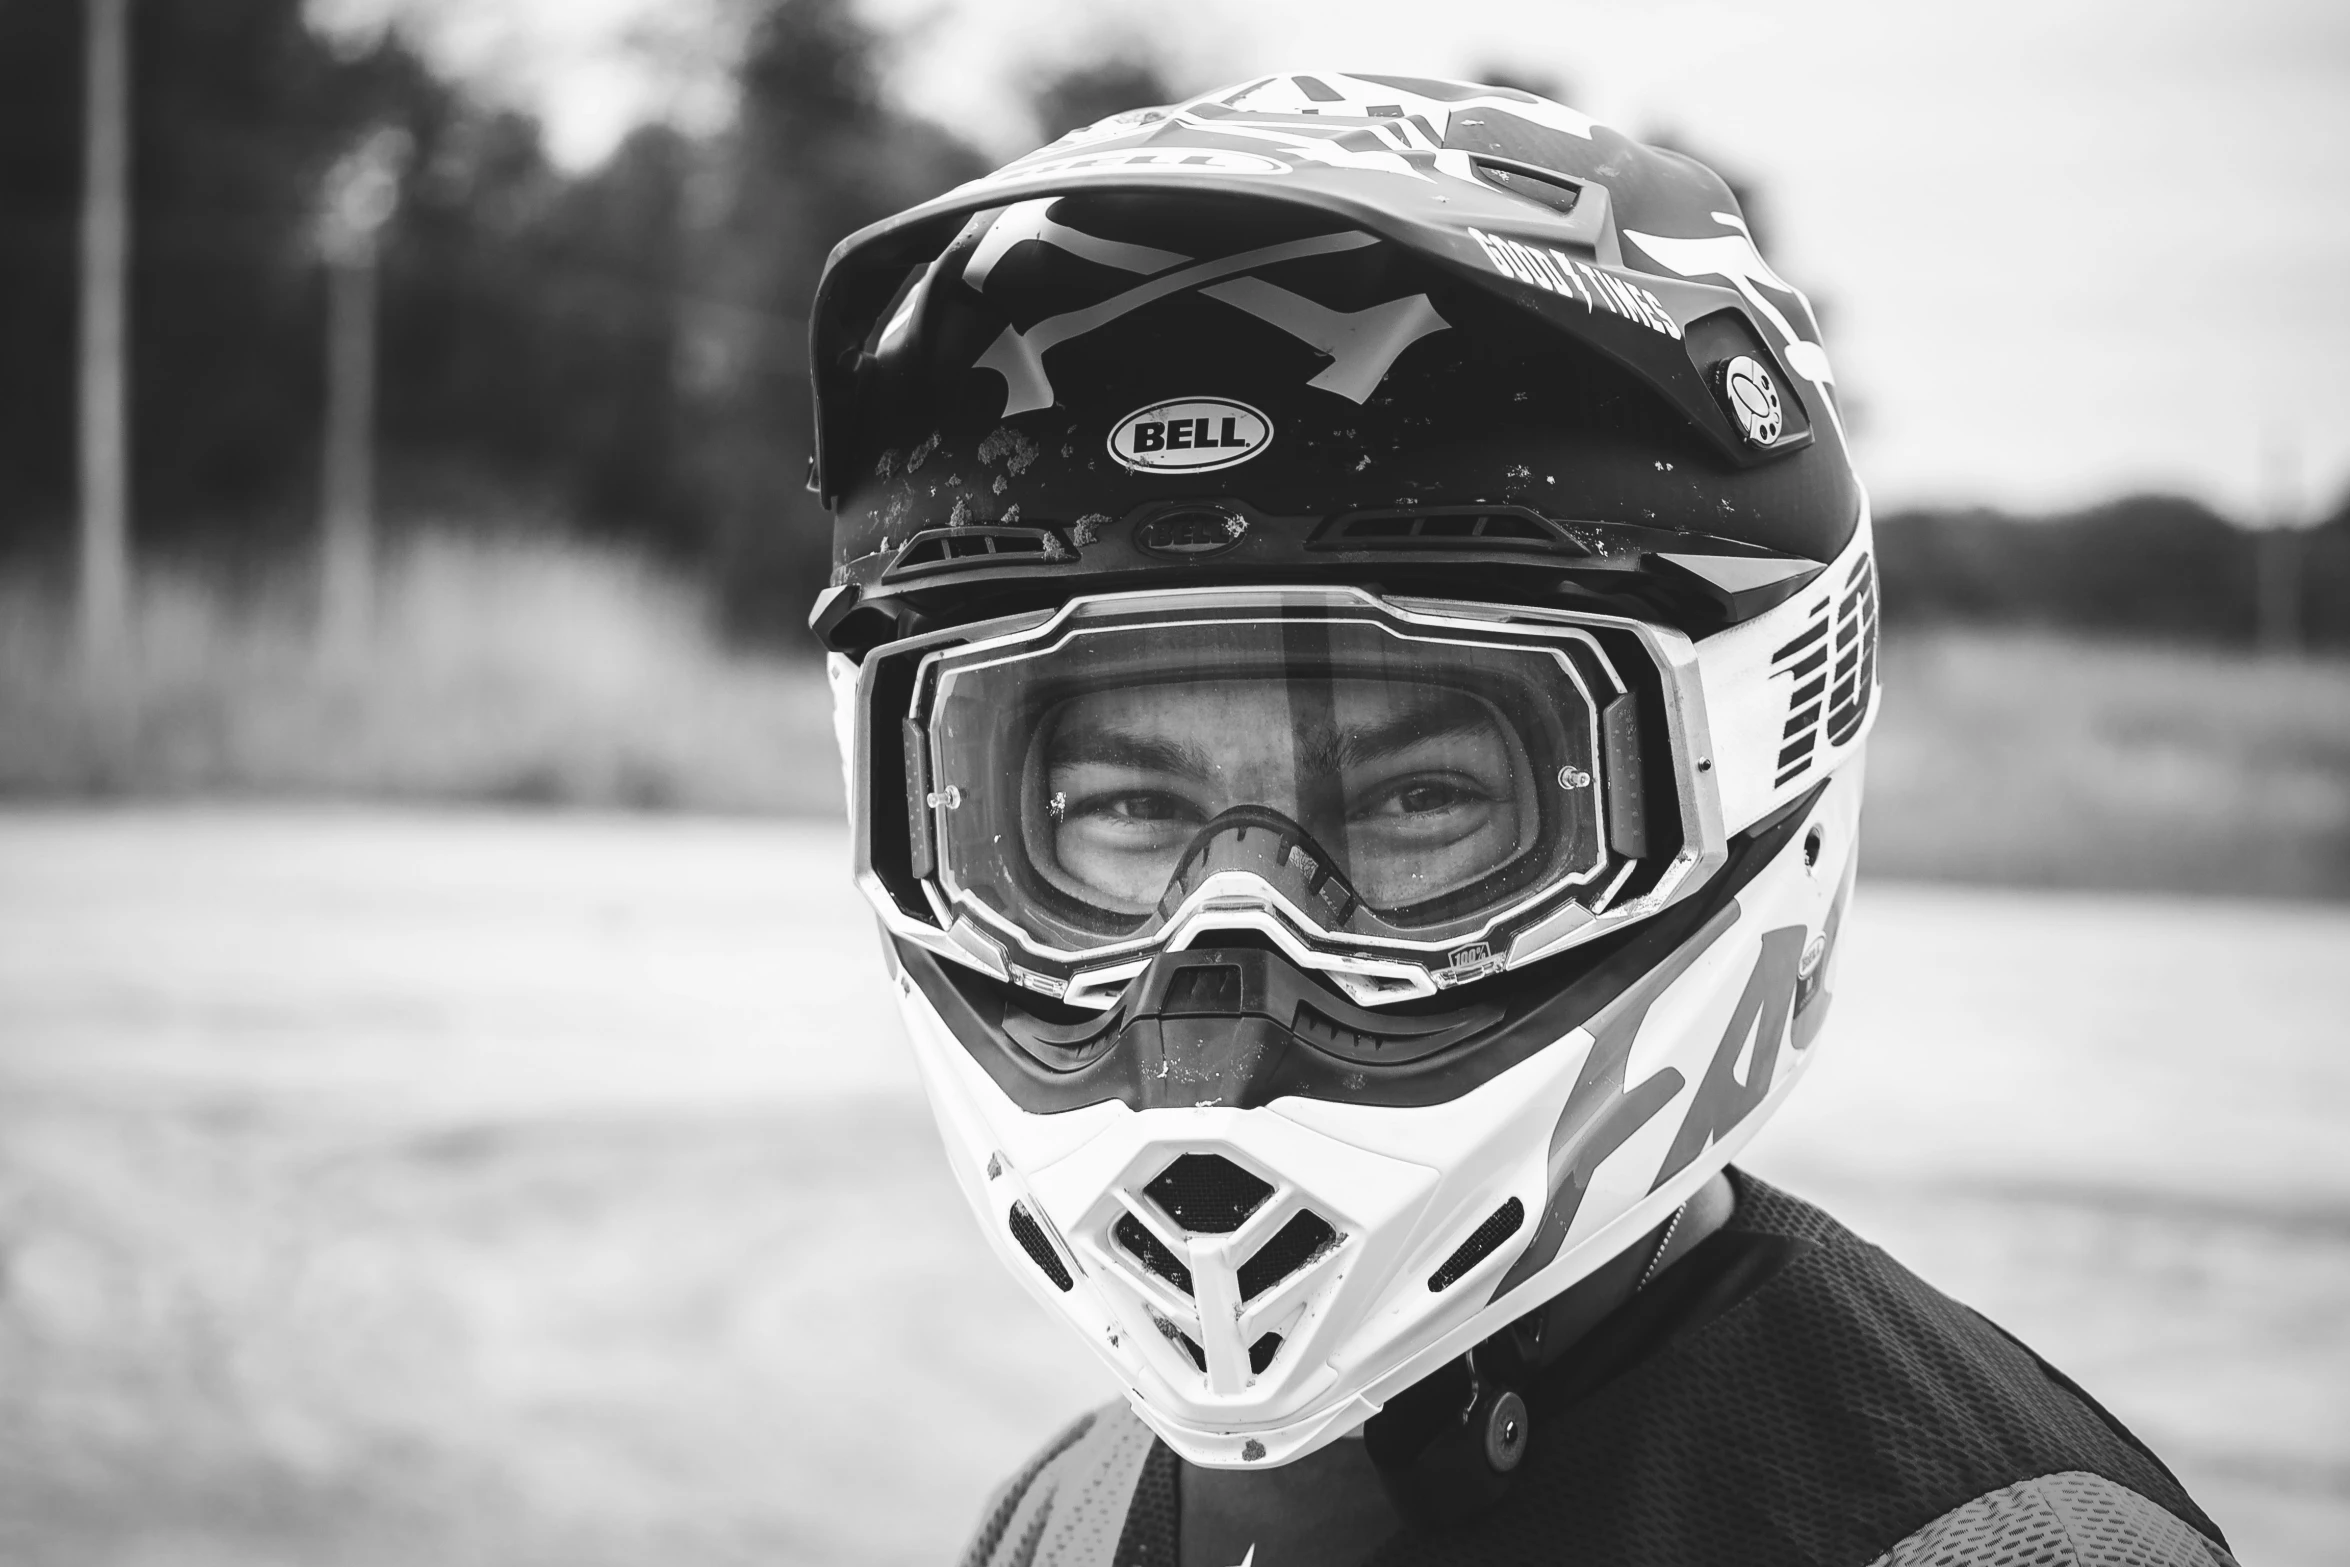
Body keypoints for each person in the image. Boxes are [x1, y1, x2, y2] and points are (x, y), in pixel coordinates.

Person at [805, 72, 2234, 1567]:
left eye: (1421, 795)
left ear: (1742, 755)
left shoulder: (1989, 1543)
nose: (1222, 970)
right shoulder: (1069, 1514)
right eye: (1121, 806)